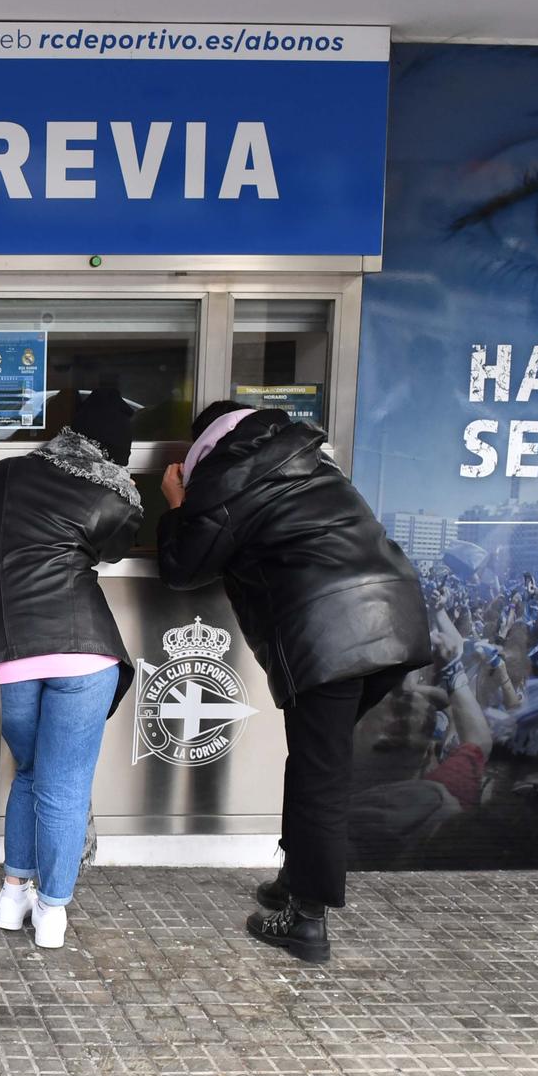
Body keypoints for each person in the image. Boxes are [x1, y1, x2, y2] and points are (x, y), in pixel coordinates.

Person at [158, 400, 429, 963]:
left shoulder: (226, 473)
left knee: (319, 773)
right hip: (393, 616)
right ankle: (292, 877)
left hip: (333, 631)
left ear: (206, 442)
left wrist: (176, 504)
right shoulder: (308, 457)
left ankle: (305, 920)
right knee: (313, 761)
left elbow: (184, 568)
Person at [0, 390, 142, 949]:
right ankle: (51, 911)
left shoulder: (2, 474)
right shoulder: (108, 492)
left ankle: (12, 895)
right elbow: (120, 549)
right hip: (85, 651)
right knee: (65, 784)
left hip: (8, 656)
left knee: (30, 771)